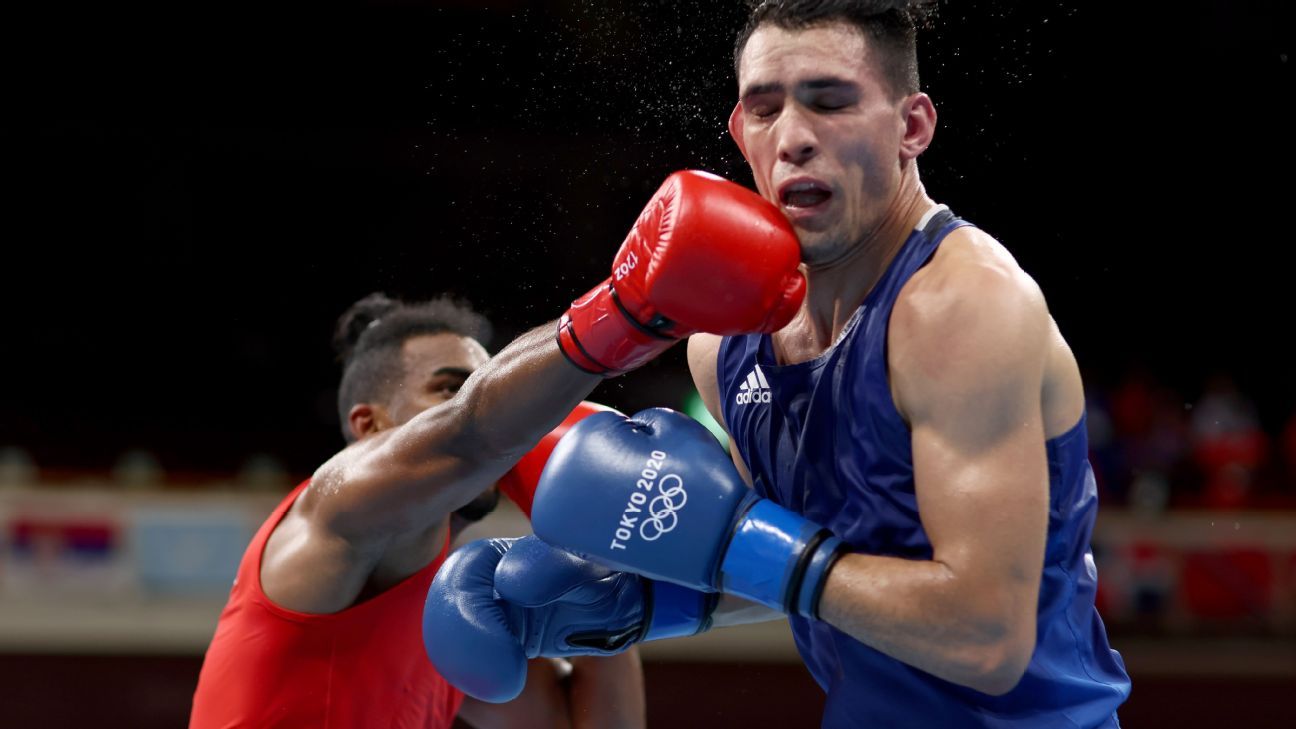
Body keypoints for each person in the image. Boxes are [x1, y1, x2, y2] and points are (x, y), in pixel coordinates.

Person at [428, 2, 1131, 727]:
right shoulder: (725, 343)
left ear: (912, 127)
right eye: (765, 109)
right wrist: (632, 606)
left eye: (831, 102)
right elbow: (821, 566)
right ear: (740, 132)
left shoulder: (962, 306)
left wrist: (739, 540)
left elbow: (986, 638)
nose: (794, 137)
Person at [188, 169, 808, 728]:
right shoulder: (331, 509)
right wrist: (632, 310)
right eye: (450, 388)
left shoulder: (465, 602)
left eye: (487, 383)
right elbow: (474, 432)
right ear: (369, 425)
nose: (503, 408)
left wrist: (616, 569)